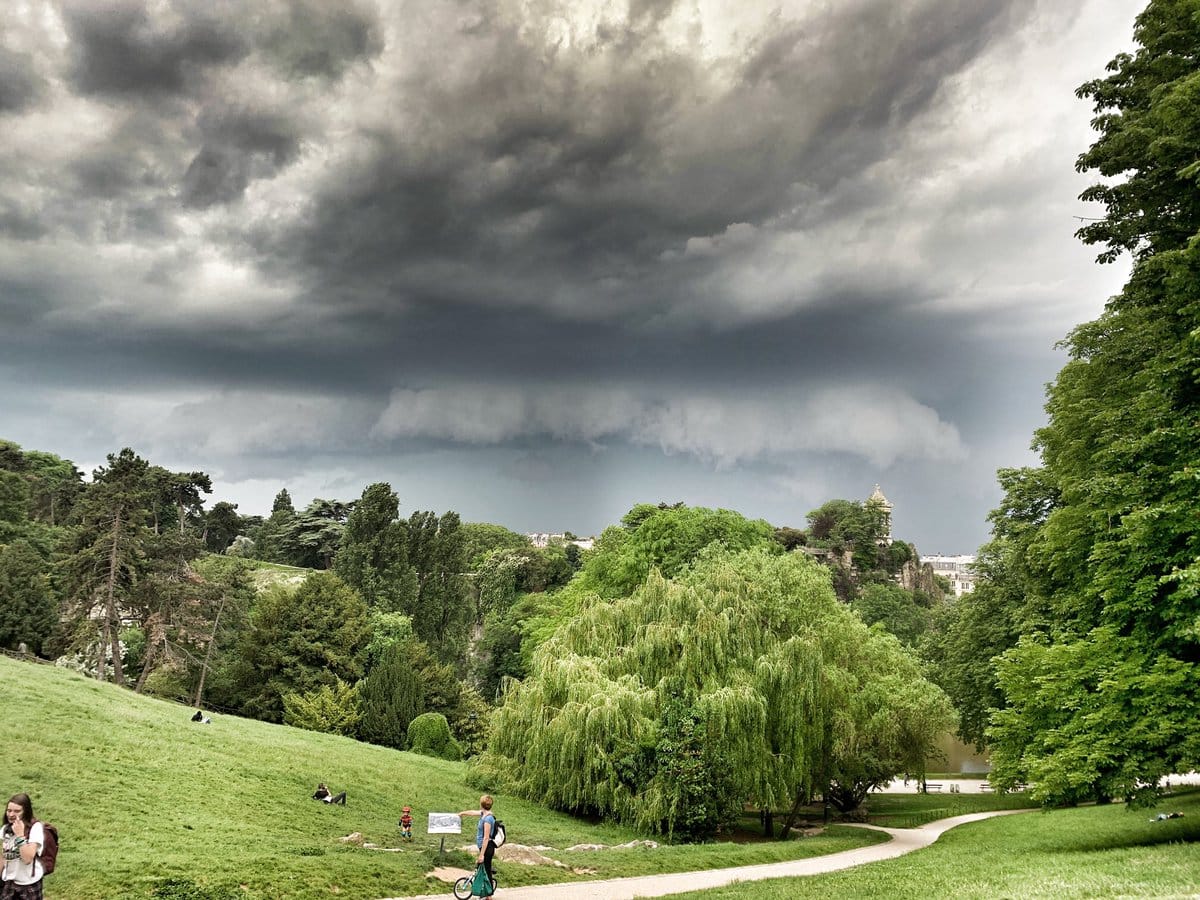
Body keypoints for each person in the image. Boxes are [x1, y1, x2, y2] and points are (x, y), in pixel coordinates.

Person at [2, 793, 45, 900]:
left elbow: (27, 858)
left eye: (17, 811)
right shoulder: (5, 829)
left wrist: (20, 835)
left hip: (28, 884)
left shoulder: (35, 828)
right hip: (9, 881)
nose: (11, 814)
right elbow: (3, 856)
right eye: (9, 810)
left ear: (25, 812)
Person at [459, 795, 497, 894]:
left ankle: (489, 894)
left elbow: (486, 838)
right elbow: (472, 812)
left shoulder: (488, 819)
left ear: (481, 804)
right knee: (484, 867)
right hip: (484, 847)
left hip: (487, 848)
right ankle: (486, 888)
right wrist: (462, 813)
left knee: (486, 869)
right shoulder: (483, 814)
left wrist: (481, 855)